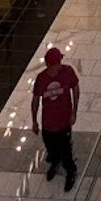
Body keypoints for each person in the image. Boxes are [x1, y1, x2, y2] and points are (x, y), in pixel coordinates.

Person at [31, 45, 79, 192]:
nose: (60, 65)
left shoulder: (68, 72)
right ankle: (55, 160)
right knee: (50, 146)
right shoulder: (41, 79)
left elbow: (76, 90)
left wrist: (74, 112)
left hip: (64, 121)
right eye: (58, 62)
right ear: (50, 65)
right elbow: (35, 100)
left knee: (66, 149)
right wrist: (34, 121)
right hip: (48, 123)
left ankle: (70, 170)